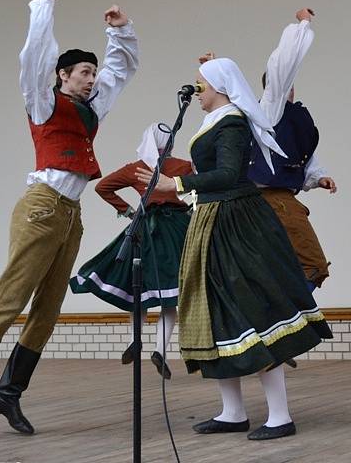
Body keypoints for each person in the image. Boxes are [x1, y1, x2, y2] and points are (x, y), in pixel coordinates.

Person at [0, 0, 138, 435]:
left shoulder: (92, 108)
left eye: (93, 73)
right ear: (63, 76)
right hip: (41, 206)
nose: (92, 79)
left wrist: (120, 31)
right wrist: (47, 5)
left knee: (49, 308)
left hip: (70, 213)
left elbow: (121, 71)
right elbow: (33, 57)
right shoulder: (42, 101)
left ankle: (7, 393)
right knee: (12, 296)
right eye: (83, 74)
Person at [137, 57, 332, 440]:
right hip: (212, 220)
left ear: (220, 87)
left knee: (252, 309)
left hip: (235, 222)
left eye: (202, 85)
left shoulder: (232, 121)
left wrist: (175, 186)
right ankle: (233, 411)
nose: (197, 92)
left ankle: (279, 415)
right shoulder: (215, 121)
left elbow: (228, 174)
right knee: (217, 313)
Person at [69, 123, 192, 379]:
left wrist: (129, 212)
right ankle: (159, 350)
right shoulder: (182, 165)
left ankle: (134, 340)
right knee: (171, 296)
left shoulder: (135, 168)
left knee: (140, 288)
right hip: (177, 229)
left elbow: (102, 186)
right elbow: (202, 185)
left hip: (146, 228)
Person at [248, 7, 336, 291]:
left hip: (282, 199)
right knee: (311, 264)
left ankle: (284, 314)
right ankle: (289, 315)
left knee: (291, 266)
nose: (291, 89)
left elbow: (299, 157)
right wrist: (302, 25)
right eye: (288, 85)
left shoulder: (288, 116)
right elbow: (281, 67)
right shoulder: (268, 109)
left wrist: (318, 177)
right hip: (273, 200)